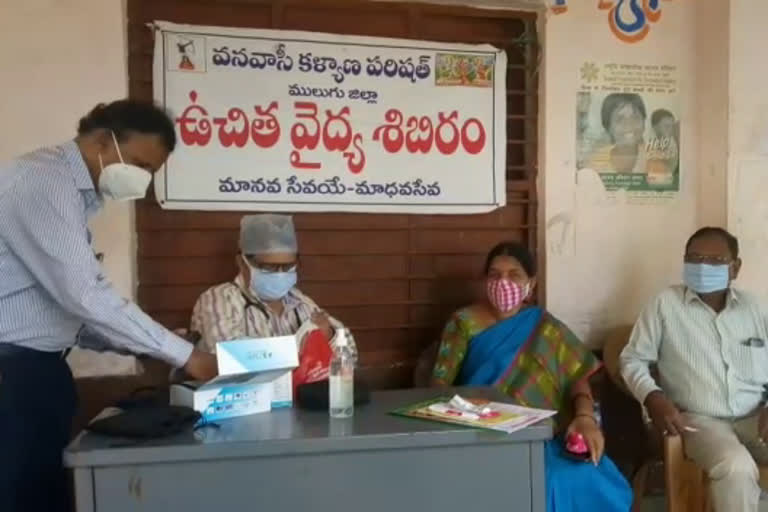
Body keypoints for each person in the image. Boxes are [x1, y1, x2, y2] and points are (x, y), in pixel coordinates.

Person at [0, 100, 217, 512]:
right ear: (103, 141)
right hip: (12, 376)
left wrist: (141, 345)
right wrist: (185, 355)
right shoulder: (43, 182)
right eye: (140, 164)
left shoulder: (71, 195)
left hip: (40, 373)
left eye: (152, 171)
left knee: (40, 494)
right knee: (17, 494)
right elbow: (84, 295)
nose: (143, 180)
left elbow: (62, 311)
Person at [431, 241, 632, 511]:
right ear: (484, 280)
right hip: (483, 433)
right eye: (494, 274)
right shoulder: (464, 322)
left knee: (577, 477)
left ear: (531, 283)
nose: (503, 282)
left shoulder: (545, 326)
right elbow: (438, 386)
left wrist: (585, 418)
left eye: (514, 275)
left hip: (544, 436)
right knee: (538, 482)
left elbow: (577, 379)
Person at [620, 227, 768, 512]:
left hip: (755, 417)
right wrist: (653, 397)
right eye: (695, 258)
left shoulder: (756, 309)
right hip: (700, 421)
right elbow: (632, 359)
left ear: (735, 268)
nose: (703, 267)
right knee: (735, 467)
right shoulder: (665, 304)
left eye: (714, 261)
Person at [191, 214, 351, 355]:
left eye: (288, 266)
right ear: (242, 262)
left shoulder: (301, 301)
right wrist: (307, 345)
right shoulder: (218, 299)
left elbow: (349, 354)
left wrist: (330, 335)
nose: (280, 274)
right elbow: (229, 357)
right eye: (269, 267)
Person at [586, 92, 648, 173]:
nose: (629, 125)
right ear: (608, 127)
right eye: (620, 119)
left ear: (644, 122)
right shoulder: (594, 163)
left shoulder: (657, 158)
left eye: (635, 117)